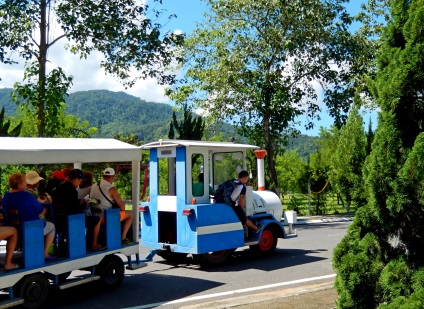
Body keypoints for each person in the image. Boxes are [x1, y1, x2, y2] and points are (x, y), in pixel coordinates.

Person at [2, 173, 56, 261]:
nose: (26, 183)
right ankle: (45, 254)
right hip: (29, 228)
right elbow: (40, 210)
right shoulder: (26, 196)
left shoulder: (6, 196)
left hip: (13, 228)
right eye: (24, 181)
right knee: (51, 227)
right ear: (19, 184)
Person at [52, 169, 105, 251]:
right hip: (70, 220)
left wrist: (78, 202)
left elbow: (67, 203)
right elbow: (75, 209)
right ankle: (93, 244)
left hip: (58, 220)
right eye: (80, 180)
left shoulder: (59, 188)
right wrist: (85, 203)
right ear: (76, 179)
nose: (80, 182)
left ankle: (63, 244)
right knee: (97, 219)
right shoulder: (72, 190)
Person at [90, 167, 134, 245]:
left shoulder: (94, 185)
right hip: (105, 217)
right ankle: (123, 238)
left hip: (93, 214)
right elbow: (122, 206)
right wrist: (122, 211)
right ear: (112, 177)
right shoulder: (111, 188)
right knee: (130, 214)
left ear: (103, 176)